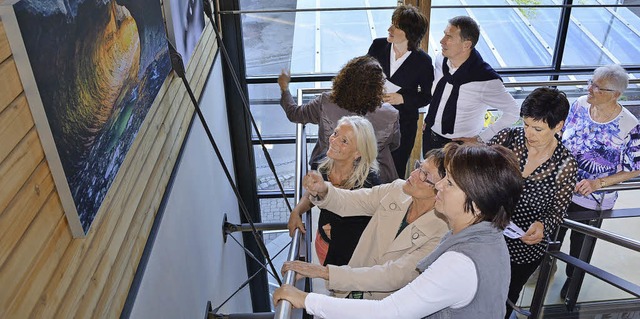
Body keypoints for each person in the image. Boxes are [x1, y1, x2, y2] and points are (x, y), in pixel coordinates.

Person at [273, 143, 523, 318]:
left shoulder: (461, 262)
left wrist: (305, 299)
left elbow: (389, 311)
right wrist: (324, 189)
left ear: (476, 202)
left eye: (449, 183)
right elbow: (354, 201)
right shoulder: (483, 236)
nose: (440, 188)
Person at [283, 149, 449, 300]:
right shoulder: (397, 189)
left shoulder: (442, 233)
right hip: (351, 290)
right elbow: (354, 200)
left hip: (384, 305)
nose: (413, 174)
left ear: (442, 188)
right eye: (419, 166)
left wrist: (324, 273)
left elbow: (394, 275)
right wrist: (324, 190)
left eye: (424, 175)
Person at [487, 87, 578, 318]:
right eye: (526, 124)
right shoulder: (506, 139)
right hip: (487, 232)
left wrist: (543, 226)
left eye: (538, 128)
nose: (529, 133)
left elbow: (558, 210)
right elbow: (479, 174)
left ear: (558, 126)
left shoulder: (565, 164)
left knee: (506, 295)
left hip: (523, 247)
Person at [556, 65, 640, 298]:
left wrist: (598, 183)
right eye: (591, 82)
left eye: (597, 87)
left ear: (615, 95)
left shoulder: (629, 125)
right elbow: (563, 137)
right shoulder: (580, 104)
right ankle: (547, 267)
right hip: (561, 189)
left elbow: (635, 168)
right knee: (552, 234)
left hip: (593, 201)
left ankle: (573, 283)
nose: (589, 89)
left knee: (579, 247)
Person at [279, 55, 400, 183]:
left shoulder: (325, 103)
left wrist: (284, 88)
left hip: (330, 172)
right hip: (376, 178)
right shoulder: (390, 114)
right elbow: (394, 144)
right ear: (378, 86)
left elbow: (295, 114)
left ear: (344, 79)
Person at [287, 116, 381, 266]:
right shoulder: (323, 165)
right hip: (323, 242)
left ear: (358, 153)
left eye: (344, 141)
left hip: (352, 255)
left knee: (341, 287)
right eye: (335, 133)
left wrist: (340, 233)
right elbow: (312, 194)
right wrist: (296, 211)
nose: (333, 141)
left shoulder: (369, 183)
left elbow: (373, 228)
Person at [423, 16, 519, 153]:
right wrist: (430, 119)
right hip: (430, 136)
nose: (442, 41)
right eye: (444, 34)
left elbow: (513, 111)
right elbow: (440, 95)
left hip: (460, 147)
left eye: (449, 37)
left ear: (467, 44)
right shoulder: (441, 60)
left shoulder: (486, 79)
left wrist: (481, 138)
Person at [367, 4, 434, 178]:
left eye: (396, 26)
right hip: (373, 120)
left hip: (403, 126)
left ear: (409, 34)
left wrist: (402, 98)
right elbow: (363, 74)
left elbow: (427, 96)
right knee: (368, 168)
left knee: (395, 170)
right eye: (392, 23)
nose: (389, 29)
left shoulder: (423, 61)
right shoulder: (377, 46)